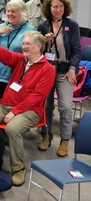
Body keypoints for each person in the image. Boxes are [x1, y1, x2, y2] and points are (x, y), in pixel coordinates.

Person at [0, 26, 55, 186]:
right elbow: (6, 55)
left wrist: (15, 112)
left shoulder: (48, 69)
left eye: (27, 44)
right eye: (23, 44)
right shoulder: (21, 60)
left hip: (30, 110)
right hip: (6, 105)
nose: (23, 47)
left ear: (38, 46)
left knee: (12, 129)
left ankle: (18, 169)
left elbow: (38, 96)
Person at [37, 0, 81, 157]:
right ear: (49, 8)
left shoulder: (72, 25)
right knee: (46, 106)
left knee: (66, 107)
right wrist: (43, 41)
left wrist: (72, 68)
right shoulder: (43, 25)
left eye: (61, 6)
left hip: (64, 70)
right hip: (46, 70)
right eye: (55, 6)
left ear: (65, 8)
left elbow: (77, 51)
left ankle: (64, 140)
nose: (58, 9)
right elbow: (36, 49)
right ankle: (46, 135)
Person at [0, 0, 36, 103]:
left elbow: (31, 55)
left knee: (12, 108)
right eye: (8, 11)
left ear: (22, 12)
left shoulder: (30, 31)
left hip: (16, 76)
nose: (10, 14)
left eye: (13, 11)